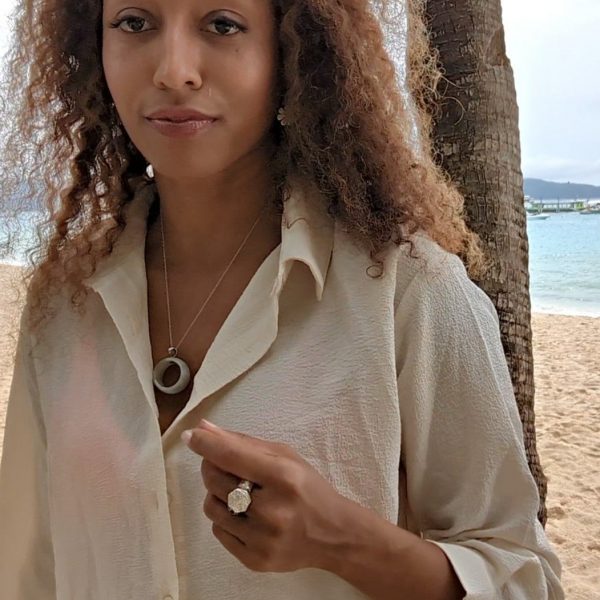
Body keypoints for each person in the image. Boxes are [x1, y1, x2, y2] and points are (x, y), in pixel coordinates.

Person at [0, 0, 564, 598]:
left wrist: (346, 542)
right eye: (135, 23)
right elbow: (27, 566)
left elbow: (525, 579)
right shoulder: (64, 301)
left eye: (222, 25)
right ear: (93, 47)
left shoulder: (409, 292)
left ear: (294, 54)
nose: (174, 70)